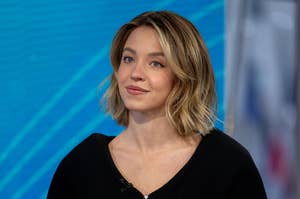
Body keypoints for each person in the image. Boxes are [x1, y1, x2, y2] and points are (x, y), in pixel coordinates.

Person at [47, 11, 267, 199]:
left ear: (185, 75)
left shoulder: (227, 163)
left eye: (156, 63)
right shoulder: (83, 164)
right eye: (128, 59)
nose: (135, 74)